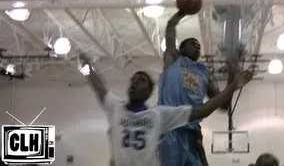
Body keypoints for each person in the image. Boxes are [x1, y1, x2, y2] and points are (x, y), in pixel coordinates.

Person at [79, 53, 253, 166]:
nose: (134, 82)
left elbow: (203, 110)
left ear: (148, 91)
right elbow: (98, 86)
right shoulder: (115, 107)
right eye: (133, 80)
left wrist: (233, 87)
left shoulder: (158, 115)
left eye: (140, 81)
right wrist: (87, 68)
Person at [158, 11, 235, 166]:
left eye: (199, 45)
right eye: (192, 43)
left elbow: (224, 106)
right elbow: (170, 28)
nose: (197, 46)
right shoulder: (173, 59)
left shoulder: (204, 73)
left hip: (192, 130)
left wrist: (232, 75)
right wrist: (181, 12)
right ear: (181, 48)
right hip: (170, 126)